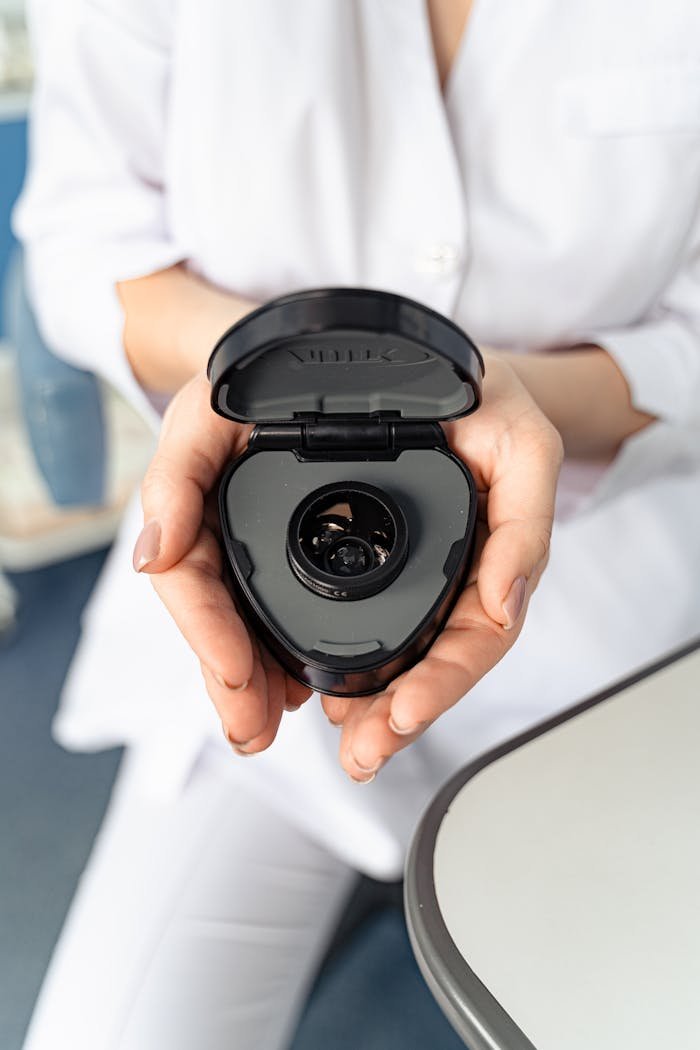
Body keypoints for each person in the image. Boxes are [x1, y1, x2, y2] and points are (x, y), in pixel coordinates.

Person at [14, 1, 700, 1047]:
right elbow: (81, 240)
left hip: (604, 633)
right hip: (246, 623)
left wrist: (510, 404)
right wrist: (269, 373)